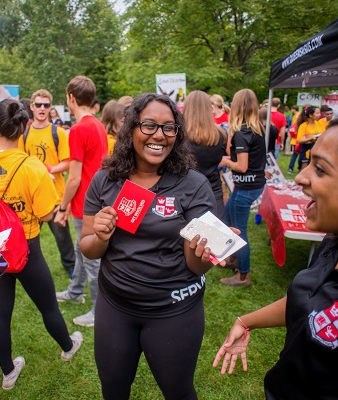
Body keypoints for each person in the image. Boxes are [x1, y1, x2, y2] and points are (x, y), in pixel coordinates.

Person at [213, 110, 338, 399]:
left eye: (320, 169)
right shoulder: (336, 244)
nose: (300, 177)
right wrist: (246, 320)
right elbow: (311, 300)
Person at [81, 93, 219, 399]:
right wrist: (101, 237)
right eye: (149, 125)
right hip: (114, 307)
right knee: (113, 390)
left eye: (169, 128)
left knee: (178, 391)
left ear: (177, 135)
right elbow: (88, 248)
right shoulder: (104, 181)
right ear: (131, 130)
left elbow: (197, 265)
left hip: (174, 311)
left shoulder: (192, 184)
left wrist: (203, 254)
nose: (159, 135)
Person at [0, 99, 83, 391]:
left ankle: (7, 373)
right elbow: (46, 213)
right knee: (48, 307)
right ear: (25, 126)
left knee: (1, 311)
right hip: (27, 249)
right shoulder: (32, 167)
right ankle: (68, 347)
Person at [54, 76, 108, 327]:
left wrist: (62, 208)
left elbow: (73, 178)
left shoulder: (78, 129)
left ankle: (99, 312)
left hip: (86, 204)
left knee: (92, 259)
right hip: (96, 199)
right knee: (79, 249)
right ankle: (75, 292)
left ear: (71, 98)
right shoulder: (97, 124)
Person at [19, 89, 76, 279]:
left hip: (55, 196)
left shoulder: (58, 132)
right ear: (32, 107)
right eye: (38, 104)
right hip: (31, 197)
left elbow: (67, 161)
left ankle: (72, 269)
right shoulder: (24, 133)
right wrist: (37, 172)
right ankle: (24, 270)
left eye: (46, 105)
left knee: (62, 238)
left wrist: (48, 170)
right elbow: (20, 160)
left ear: (50, 108)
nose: (42, 108)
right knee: (28, 238)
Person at [219, 89, 266, 287]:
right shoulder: (257, 128)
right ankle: (234, 259)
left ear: (236, 107)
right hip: (250, 185)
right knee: (228, 219)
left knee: (239, 231)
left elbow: (242, 166)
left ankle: (243, 276)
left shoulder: (242, 132)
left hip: (245, 187)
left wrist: (224, 161)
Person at [183, 90, 228, 219]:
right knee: (214, 235)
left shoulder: (179, 136)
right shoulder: (221, 135)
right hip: (213, 190)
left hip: (186, 191)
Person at [296, 105, 328, 170]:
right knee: (304, 171)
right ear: (310, 115)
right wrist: (310, 138)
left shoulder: (319, 124)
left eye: (319, 113)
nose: (319, 115)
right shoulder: (304, 126)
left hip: (318, 150)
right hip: (306, 151)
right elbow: (299, 140)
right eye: (317, 113)